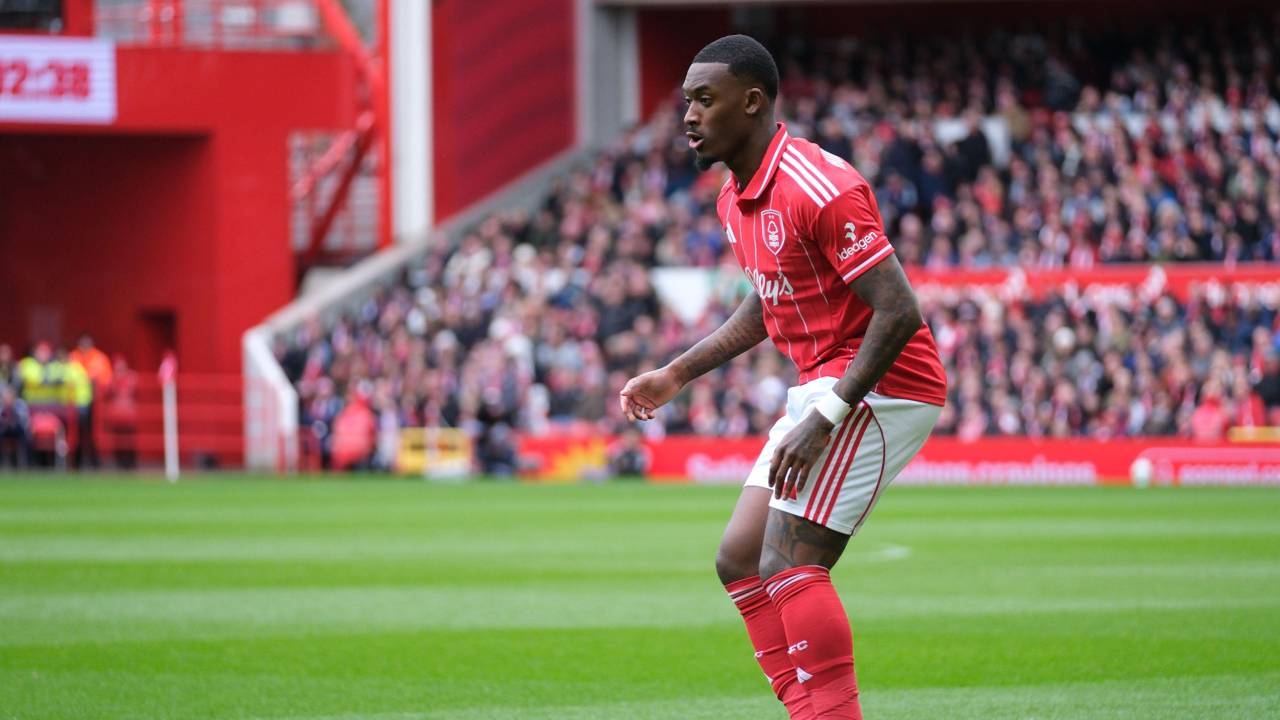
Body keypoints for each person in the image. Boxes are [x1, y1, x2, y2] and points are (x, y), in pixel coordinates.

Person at [619, 36, 947, 720]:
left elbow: (898, 308)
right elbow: (770, 301)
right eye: (686, 102)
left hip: (884, 382)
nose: (688, 116)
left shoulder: (818, 187)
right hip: (822, 383)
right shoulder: (735, 196)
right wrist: (676, 372)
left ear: (753, 102)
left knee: (792, 563)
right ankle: (809, 708)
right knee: (739, 558)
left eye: (704, 101)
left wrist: (825, 418)